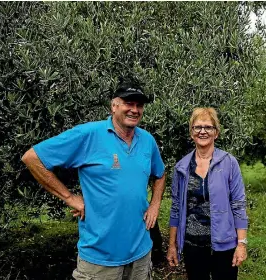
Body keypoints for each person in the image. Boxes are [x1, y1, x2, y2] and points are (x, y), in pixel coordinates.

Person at [21, 83, 166, 280]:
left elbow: (160, 174)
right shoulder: (89, 134)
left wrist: (155, 204)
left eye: (139, 105)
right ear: (114, 106)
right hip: (99, 259)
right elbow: (32, 158)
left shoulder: (147, 140)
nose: (134, 110)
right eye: (128, 103)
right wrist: (69, 197)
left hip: (141, 253)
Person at [166, 107, 248, 280]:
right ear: (191, 133)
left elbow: (238, 204)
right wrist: (172, 245)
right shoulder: (182, 167)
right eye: (197, 127)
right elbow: (175, 208)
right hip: (192, 245)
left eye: (208, 127)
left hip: (224, 245)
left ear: (216, 133)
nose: (202, 131)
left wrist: (241, 244)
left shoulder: (229, 163)